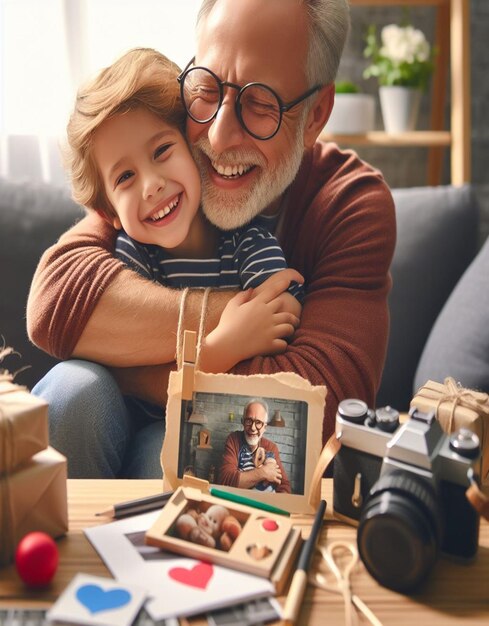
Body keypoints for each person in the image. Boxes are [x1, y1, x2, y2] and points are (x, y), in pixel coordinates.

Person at [27, 0, 396, 479]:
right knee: (71, 389)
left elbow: (312, 410)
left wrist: (131, 365)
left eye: (261, 104)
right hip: (116, 420)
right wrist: (236, 321)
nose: (219, 137)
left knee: (174, 451)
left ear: (317, 113)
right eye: (206, 88)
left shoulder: (350, 201)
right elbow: (58, 304)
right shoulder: (164, 165)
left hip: (214, 450)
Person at [65, 47, 301, 378]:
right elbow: (121, 362)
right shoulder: (131, 258)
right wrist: (225, 345)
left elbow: (286, 310)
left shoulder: (248, 244)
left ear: (194, 147)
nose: (150, 185)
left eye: (162, 151)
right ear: (109, 212)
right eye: (125, 177)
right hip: (145, 419)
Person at [219, 399, 291, 493]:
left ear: (265, 427)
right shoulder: (233, 439)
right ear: (243, 422)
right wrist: (263, 473)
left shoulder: (271, 448)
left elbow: (284, 485)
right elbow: (226, 480)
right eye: (249, 421)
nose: (253, 428)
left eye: (258, 422)